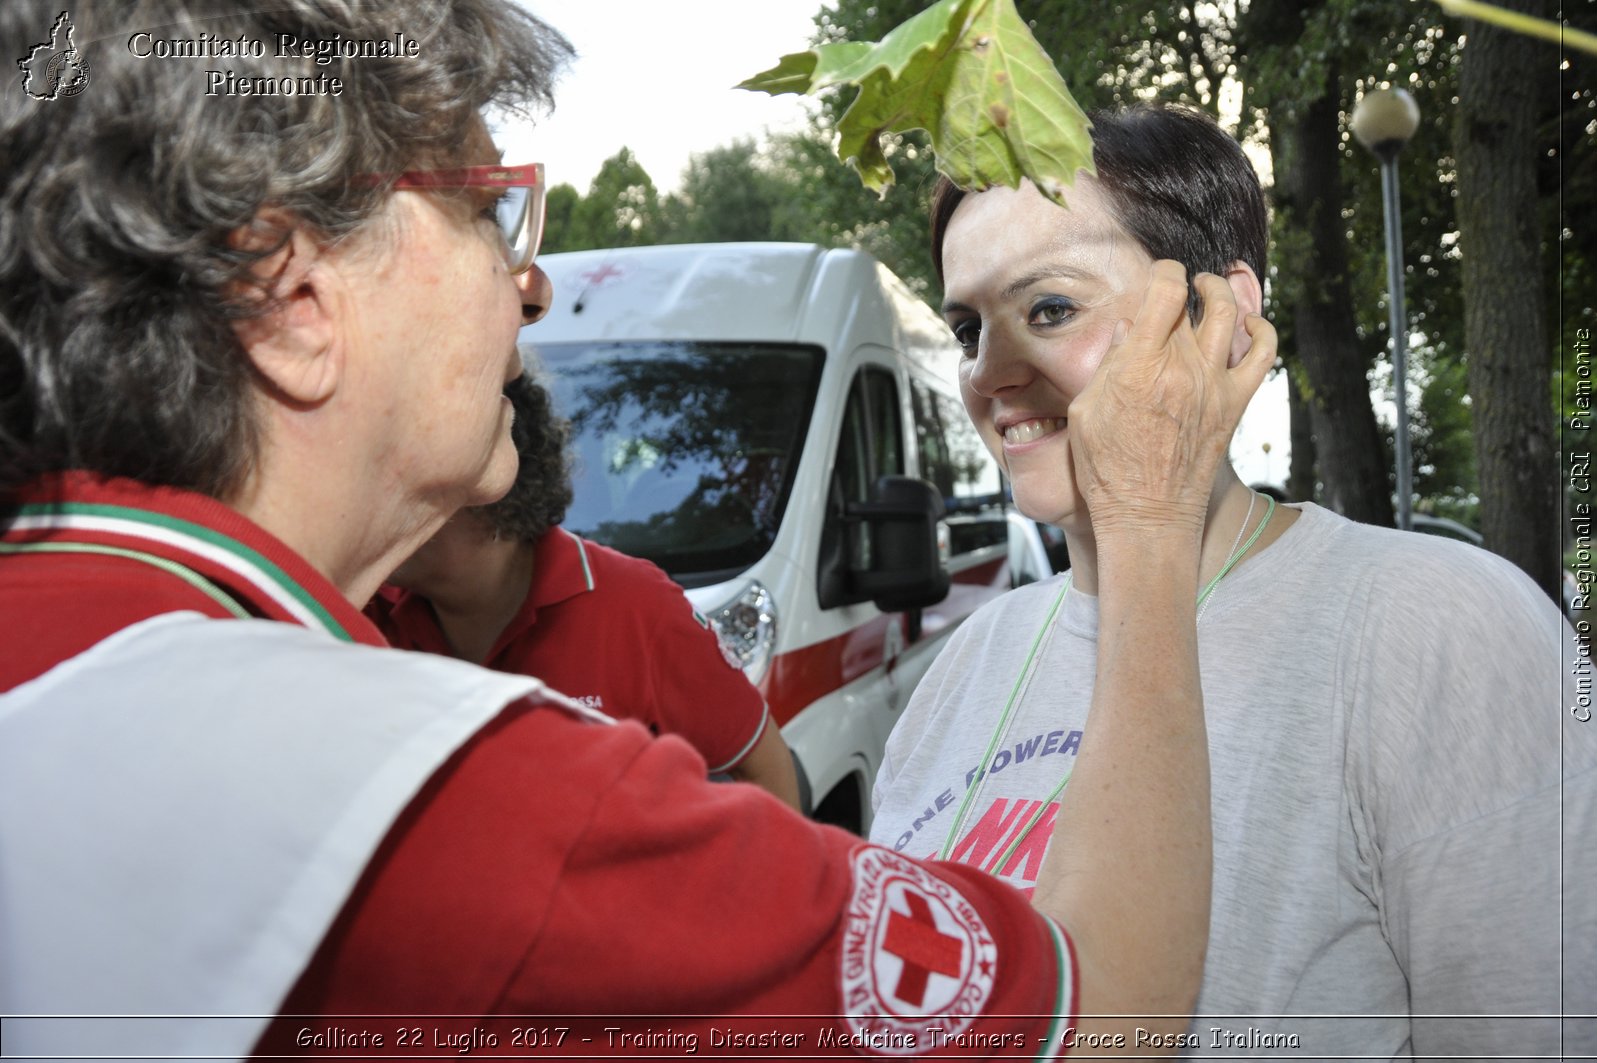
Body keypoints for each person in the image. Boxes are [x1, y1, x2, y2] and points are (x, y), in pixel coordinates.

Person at [0, 3, 1279, 1058]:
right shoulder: (456, 799)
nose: (533, 279)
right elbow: (1108, 1007)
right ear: (289, 301)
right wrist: (1151, 526)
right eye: (484, 207)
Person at [870, 104, 1597, 1057]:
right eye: (968, 326)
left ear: (1224, 314)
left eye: (1049, 308)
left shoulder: (1445, 628)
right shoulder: (965, 667)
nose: (988, 371)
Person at [368, 373, 802, 809]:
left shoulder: (635, 606)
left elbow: (763, 764)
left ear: (496, 485)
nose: (379, 508)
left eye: (408, 482)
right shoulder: (362, 610)